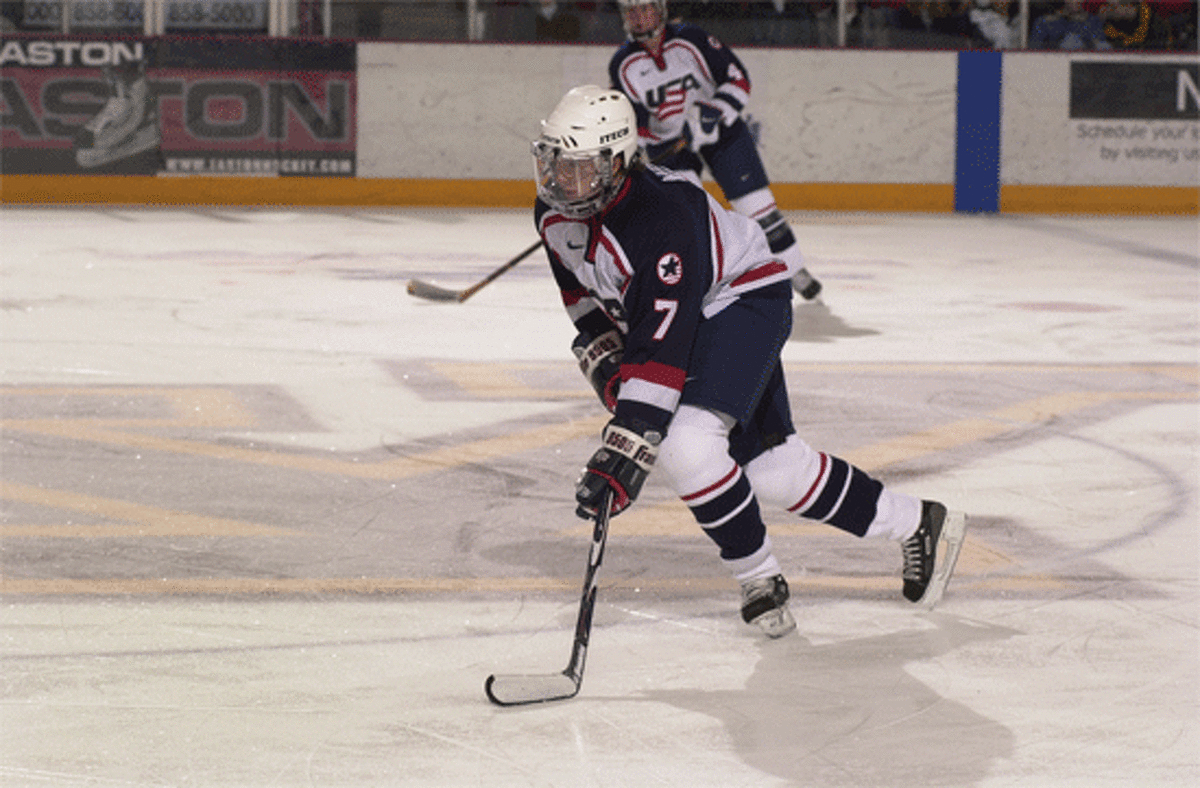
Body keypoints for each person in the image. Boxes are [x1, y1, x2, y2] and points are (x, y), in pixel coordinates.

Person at [531, 85, 968, 637]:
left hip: (741, 302)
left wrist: (625, 446)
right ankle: (920, 523)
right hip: (695, 309)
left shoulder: (662, 220)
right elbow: (584, 302)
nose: (561, 181)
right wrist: (606, 361)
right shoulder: (552, 214)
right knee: (775, 472)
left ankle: (757, 576)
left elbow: (661, 350)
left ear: (618, 163)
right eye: (553, 163)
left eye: (580, 168)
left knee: (686, 443)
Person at [606, 0, 823, 302]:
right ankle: (709, 289)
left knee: (759, 207)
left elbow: (738, 79)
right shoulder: (623, 63)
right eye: (632, 12)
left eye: (645, 9)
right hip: (671, 148)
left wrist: (713, 112)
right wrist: (640, 152)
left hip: (721, 132)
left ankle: (794, 270)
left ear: (660, 10)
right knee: (689, 221)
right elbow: (635, 119)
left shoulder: (692, 39)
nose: (639, 18)